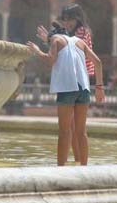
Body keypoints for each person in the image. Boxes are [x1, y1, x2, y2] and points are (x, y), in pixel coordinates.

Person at [27, 22, 105, 166]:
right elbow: (98, 62)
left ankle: (61, 169)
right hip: (84, 90)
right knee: (81, 132)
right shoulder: (79, 41)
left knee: (64, 131)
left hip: (66, 88)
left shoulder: (56, 40)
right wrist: (99, 87)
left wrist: (37, 51)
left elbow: (50, 60)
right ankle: (84, 168)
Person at [37, 3, 94, 163]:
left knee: (72, 128)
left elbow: (72, 51)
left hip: (77, 79)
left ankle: (76, 161)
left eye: (70, 19)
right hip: (80, 79)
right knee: (75, 127)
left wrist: (49, 40)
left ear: (78, 18)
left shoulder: (80, 32)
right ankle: (78, 161)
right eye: (65, 20)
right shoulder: (76, 32)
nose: (67, 23)